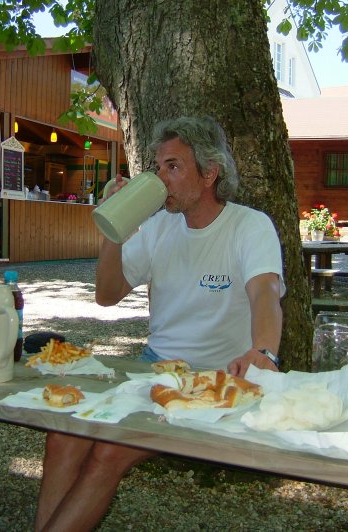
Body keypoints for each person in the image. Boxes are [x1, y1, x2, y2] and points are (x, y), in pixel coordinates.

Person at [34, 116, 285, 531]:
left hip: (216, 380)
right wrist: (114, 229)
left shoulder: (249, 226)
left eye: (173, 166)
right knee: (66, 432)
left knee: (108, 452)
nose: (161, 177)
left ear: (209, 173)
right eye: (158, 167)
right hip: (154, 368)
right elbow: (106, 295)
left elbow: (265, 294)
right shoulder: (157, 226)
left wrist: (263, 351)